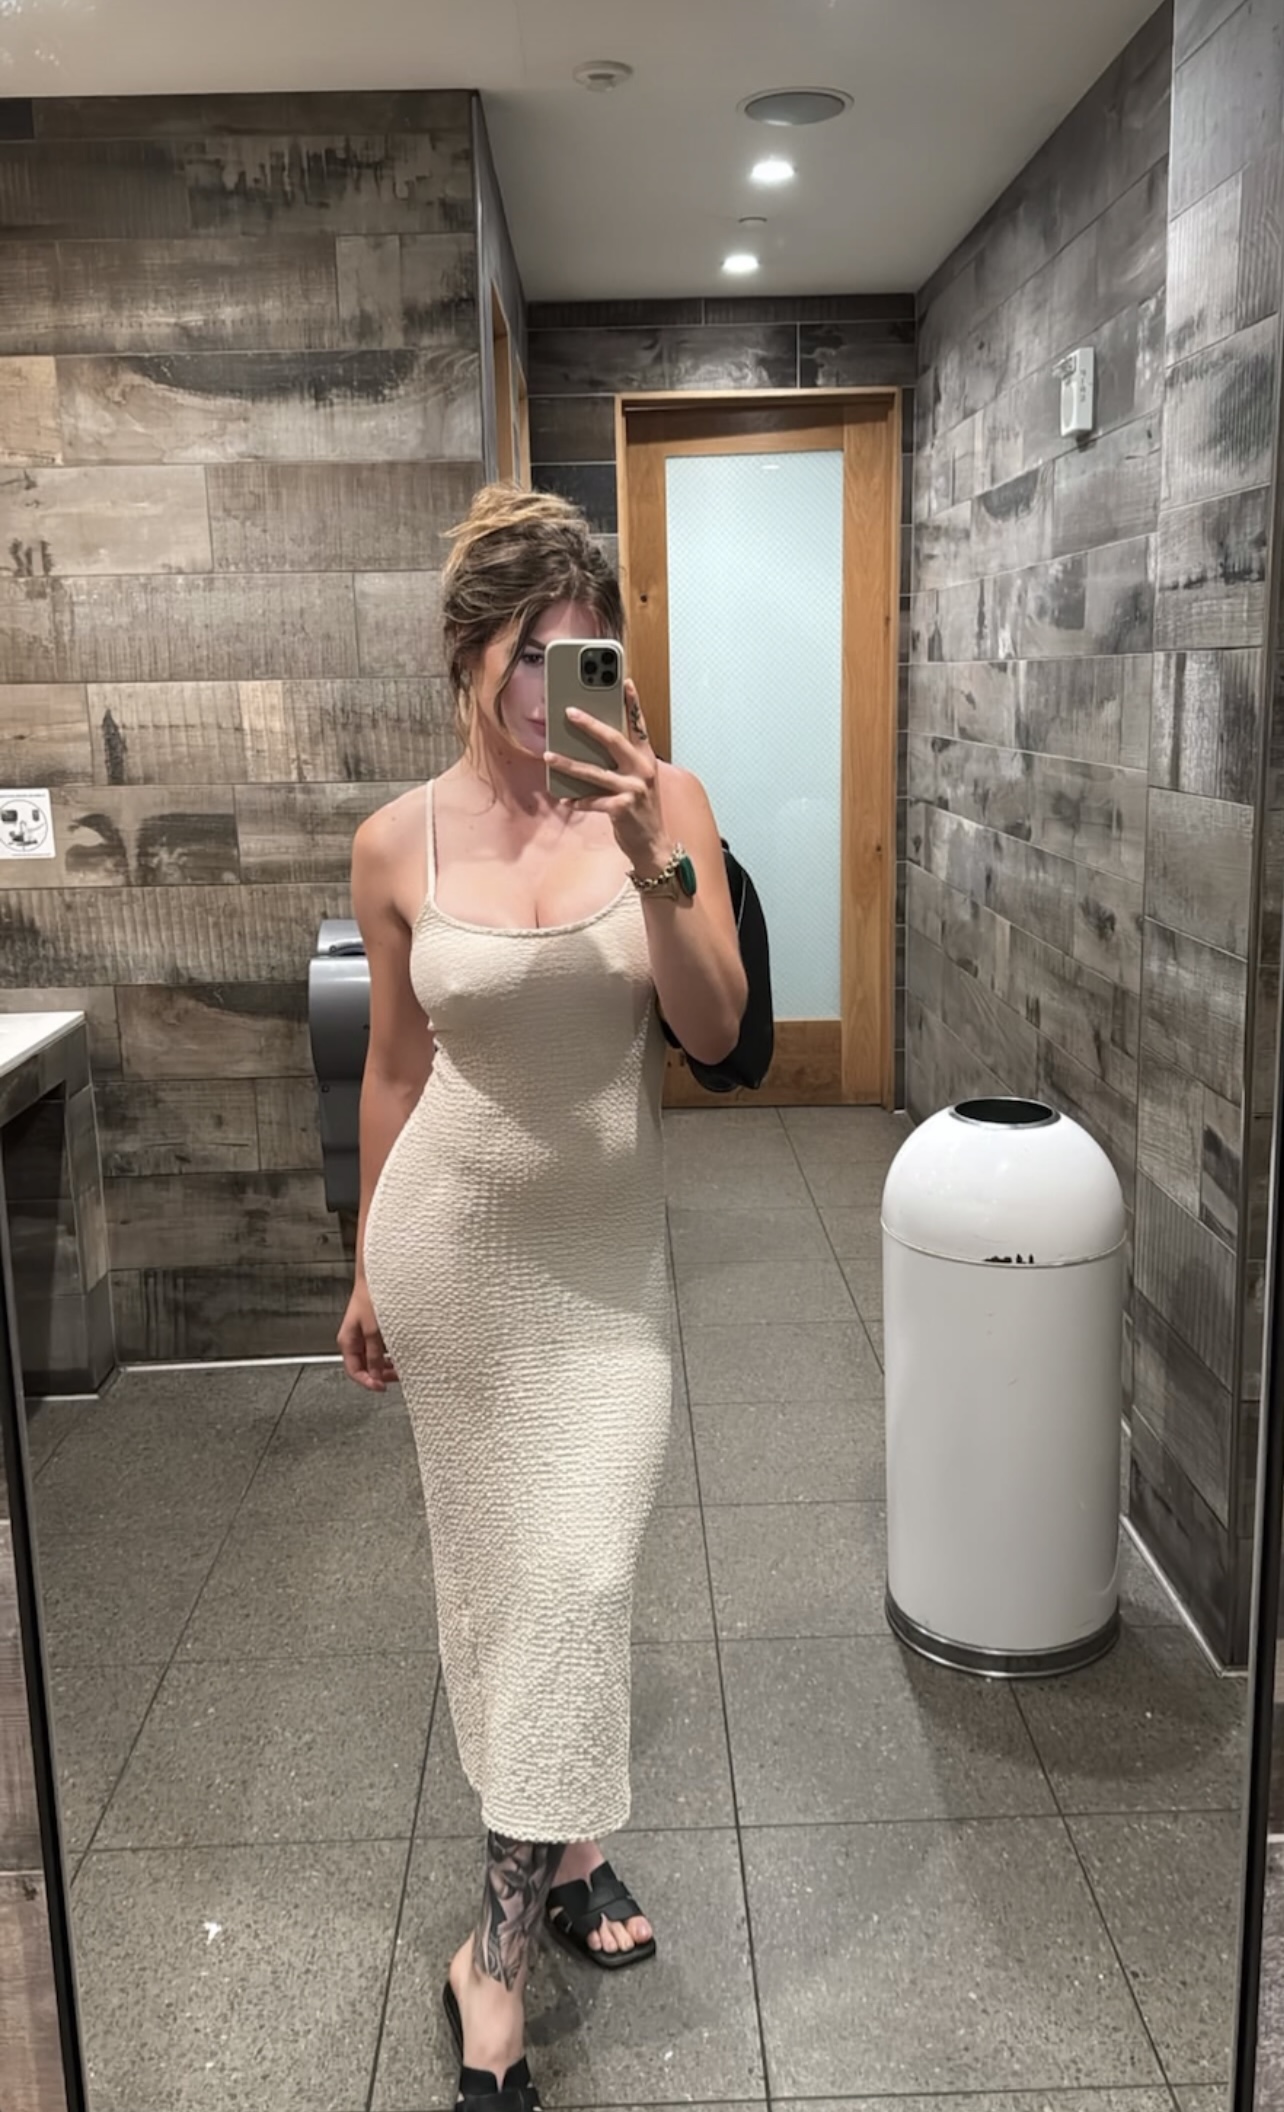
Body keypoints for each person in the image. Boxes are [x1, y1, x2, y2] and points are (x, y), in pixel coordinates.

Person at [338, 484, 747, 2111]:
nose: (554, 689)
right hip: (453, 1262)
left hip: (603, 1277)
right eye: (527, 656)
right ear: (465, 655)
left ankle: (486, 1962)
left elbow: (713, 1032)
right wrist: (365, 1264)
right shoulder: (398, 843)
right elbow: (393, 1068)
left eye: (584, 654)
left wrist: (654, 863)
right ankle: (554, 1878)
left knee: (578, 1579)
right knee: (512, 1592)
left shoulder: (667, 801)